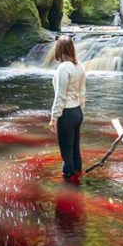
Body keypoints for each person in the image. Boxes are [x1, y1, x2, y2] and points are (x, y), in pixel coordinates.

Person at [48, 35, 86, 183]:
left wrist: (53, 118)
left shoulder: (63, 68)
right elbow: (82, 92)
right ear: (71, 48)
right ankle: (78, 178)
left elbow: (60, 96)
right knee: (75, 150)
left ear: (58, 49)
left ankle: (68, 186)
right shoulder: (79, 66)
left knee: (66, 154)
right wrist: (81, 111)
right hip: (77, 112)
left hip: (67, 114)